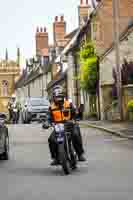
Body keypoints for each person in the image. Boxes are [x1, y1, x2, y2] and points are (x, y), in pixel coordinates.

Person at [48, 85, 86, 165]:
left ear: (63, 96)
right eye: (56, 97)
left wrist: (77, 117)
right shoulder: (51, 107)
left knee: (75, 134)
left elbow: (75, 113)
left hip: (69, 125)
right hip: (58, 127)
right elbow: (49, 117)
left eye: (60, 97)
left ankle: (80, 154)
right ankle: (56, 158)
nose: (58, 99)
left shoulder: (69, 104)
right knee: (51, 139)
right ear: (53, 97)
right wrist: (46, 123)